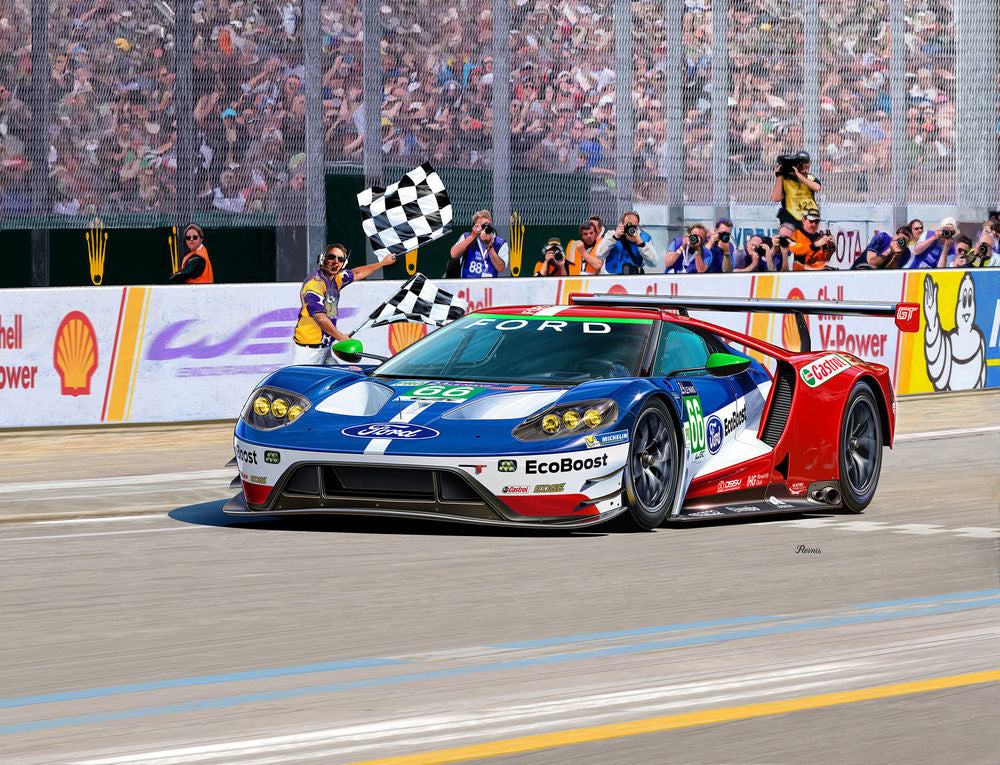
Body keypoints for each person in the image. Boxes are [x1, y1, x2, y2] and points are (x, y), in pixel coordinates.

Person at [292, 244, 396, 365]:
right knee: (306, 382)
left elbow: (356, 273)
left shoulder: (337, 278)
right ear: (322, 259)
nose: (336, 262)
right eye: (331, 257)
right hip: (309, 351)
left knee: (337, 378)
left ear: (343, 264)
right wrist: (341, 337)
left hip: (324, 348)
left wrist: (382, 263)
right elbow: (319, 317)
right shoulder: (314, 285)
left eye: (340, 259)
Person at [449, 209, 508, 278]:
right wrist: (473, 236)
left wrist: (489, 246)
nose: (485, 228)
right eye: (481, 226)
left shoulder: (500, 243)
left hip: (489, 286)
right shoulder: (466, 237)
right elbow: (454, 254)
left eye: (487, 225)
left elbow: (500, 268)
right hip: (467, 285)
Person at [770, 150, 821, 229]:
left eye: (806, 162)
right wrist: (780, 176)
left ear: (809, 164)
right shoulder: (786, 180)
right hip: (789, 219)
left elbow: (817, 188)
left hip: (807, 219)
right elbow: (775, 198)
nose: (803, 165)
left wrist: (799, 175)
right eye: (800, 162)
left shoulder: (810, 178)